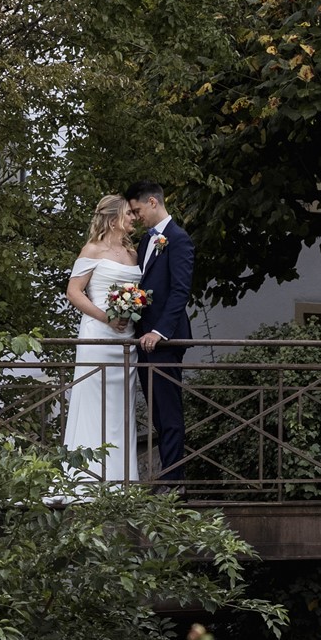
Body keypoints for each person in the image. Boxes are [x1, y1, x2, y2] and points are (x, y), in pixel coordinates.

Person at [60, 195, 142, 484]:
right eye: (128, 213)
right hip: (98, 335)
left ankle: (121, 480)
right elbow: (73, 292)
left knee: (121, 409)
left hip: (126, 339)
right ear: (112, 218)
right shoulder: (92, 250)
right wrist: (106, 316)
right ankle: (86, 478)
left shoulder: (133, 253)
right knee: (93, 403)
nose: (133, 217)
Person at [125, 181, 193, 485]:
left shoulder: (178, 239)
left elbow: (180, 291)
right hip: (144, 340)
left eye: (137, 209)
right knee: (157, 415)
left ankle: (174, 483)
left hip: (165, 341)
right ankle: (168, 477)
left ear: (153, 202)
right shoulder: (146, 241)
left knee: (169, 413)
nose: (136, 216)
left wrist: (159, 332)